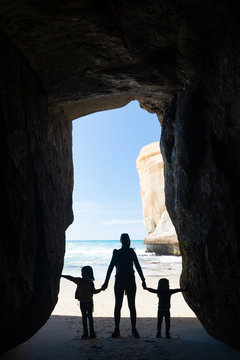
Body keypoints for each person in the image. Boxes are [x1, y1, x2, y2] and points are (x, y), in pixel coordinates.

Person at [102, 233, 146, 338]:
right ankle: (117, 329)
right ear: (121, 241)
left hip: (129, 280)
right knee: (118, 305)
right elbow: (111, 267)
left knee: (131, 305)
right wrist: (106, 282)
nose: (126, 241)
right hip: (120, 281)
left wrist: (143, 280)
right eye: (124, 239)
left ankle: (133, 329)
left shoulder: (131, 252)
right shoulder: (116, 252)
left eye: (127, 239)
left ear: (128, 240)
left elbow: (138, 266)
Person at [61, 266, 102, 339]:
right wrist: (61, 275)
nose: (82, 274)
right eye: (82, 272)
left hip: (87, 302)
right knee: (87, 317)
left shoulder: (82, 281)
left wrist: (100, 289)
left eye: (83, 272)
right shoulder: (85, 281)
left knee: (88, 318)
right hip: (86, 302)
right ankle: (88, 333)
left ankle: (89, 333)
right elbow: (70, 278)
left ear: (88, 273)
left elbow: (94, 291)